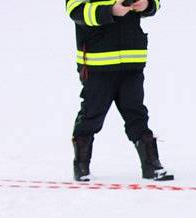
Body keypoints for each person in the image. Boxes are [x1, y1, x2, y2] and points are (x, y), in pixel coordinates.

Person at [67, 0, 173, 182]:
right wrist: (109, 11)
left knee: (136, 113)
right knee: (92, 113)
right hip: (97, 64)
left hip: (132, 61)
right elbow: (75, 10)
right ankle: (81, 166)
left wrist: (147, 4)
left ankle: (151, 165)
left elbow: (155, 3)